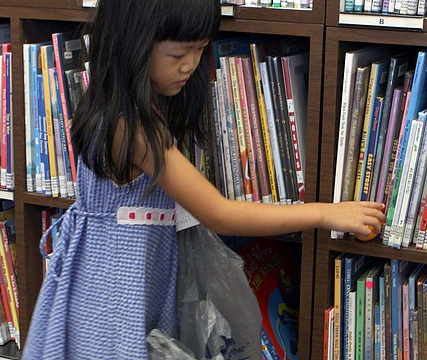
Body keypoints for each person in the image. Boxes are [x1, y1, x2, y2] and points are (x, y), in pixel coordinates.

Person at [22, 0, 385, 358]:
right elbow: (218, 212)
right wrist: (325, 214)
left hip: (132, 275)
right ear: (132, 43)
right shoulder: (131, 127)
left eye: (199, 50)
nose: (191, 66)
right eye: (179, 54)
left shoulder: (134, 108)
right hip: (116, 288)